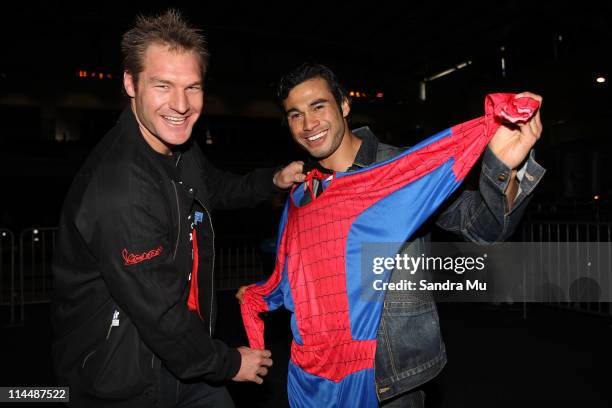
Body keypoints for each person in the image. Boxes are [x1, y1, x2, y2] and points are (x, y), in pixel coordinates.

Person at [237, 63, 545, 407]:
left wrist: (505, 169)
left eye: (318, 106)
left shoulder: (403, 170)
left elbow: (486, 230)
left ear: (344, 105)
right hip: (318, 381)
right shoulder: (302, 195)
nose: (308, 125)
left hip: (391, 380)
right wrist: (264, 293)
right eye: (295, 115)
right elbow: (303, 277)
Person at [51, 10, 304, 408]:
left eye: (193, 87)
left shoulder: (177, 147)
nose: (181, 105)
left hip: (180, 353)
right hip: (124, 375)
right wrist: (228, 362)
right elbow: (161, 315)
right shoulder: (123, 190)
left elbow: (215, 187)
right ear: (131, 84)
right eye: (163, 85)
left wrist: (270, 181)